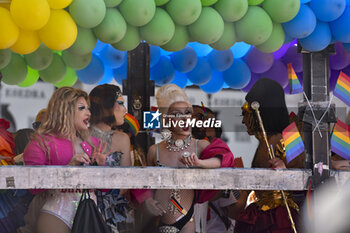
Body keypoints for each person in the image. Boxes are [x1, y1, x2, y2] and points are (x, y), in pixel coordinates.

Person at [144, 84, 235, 233]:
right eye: (177, 114)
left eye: (187, 113)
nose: (185, 119)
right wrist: (147, 201)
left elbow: (224, 159)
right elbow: (146, 186)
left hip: (189, 221)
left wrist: (200, 163)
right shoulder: (154, 151)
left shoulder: (200, 146)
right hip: (159, 222)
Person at [22, 87, 108, 233]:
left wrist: (100, 167)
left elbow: (105, 189)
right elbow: (33, 187)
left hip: (91, 213)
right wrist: (67, 168)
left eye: (88, 108)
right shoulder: (41, 142)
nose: (88, 113)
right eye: (82, 108)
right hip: (56, 214)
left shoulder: (94, 143)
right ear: (64, 110)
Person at [234, 78, 304, 233]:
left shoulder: (288, 138)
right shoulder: (265, 141)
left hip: (278, 219)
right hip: (260, 214)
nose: (244, 121)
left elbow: (302, 177)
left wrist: (286, 171)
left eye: (246, 114)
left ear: (261, 111)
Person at [89, 84, 134, 233]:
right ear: (106, 106)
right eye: (120, 103)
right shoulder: (80, 135)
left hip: (114, 213)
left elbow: (127, 181)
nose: (125, 110)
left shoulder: (123, 139)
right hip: (83, 206)